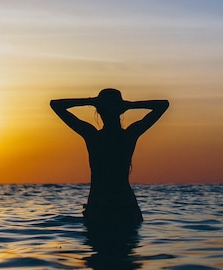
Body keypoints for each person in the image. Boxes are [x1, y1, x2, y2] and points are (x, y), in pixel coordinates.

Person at [50, 88, 169, 225]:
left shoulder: (93, 136)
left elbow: (56, 105)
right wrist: (128, 105)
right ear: (121, 110)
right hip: (126, 207)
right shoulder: (129, 135)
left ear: (99, 111)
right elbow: (162, 105)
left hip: (99, 207)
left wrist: (92, 102)